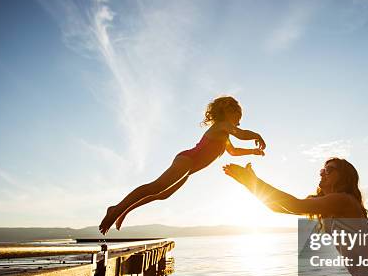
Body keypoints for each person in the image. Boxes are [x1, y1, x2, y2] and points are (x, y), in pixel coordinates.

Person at [223, 158, 368, 276]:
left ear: (344, 177)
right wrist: (248, 184)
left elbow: (294, 204)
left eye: (330, 170)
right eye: (322, 170)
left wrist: (253, 180)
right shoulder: (328, 204)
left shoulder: (342, 200)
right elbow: (276, 207)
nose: (323, 173)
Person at [99, 96, 266, 235]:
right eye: (238, 118)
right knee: (155, 187)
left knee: (161, 194)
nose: (238, 123)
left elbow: (233, 151)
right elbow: (242, 134)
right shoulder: (222, 125)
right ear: (230, 112)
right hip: (187, 160)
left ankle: (122, 211)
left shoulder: (224, 134)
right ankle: (115, 209)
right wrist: (257, 135)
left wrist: (253, 151)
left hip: (188, 168)